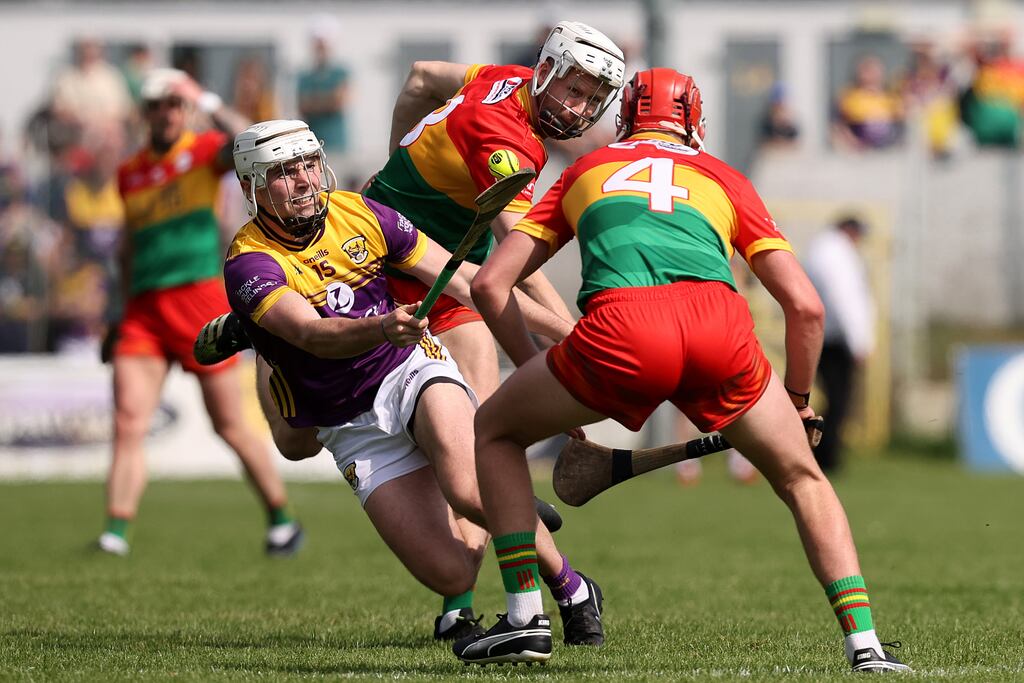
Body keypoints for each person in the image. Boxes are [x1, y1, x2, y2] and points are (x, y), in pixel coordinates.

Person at [463, 68, 910, 673]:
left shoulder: (582, 171)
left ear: (622, 117)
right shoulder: (725, 177)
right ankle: (866, 646)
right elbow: (805, 307)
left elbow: (492, 285)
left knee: (493, 431)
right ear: (695, 120)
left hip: (620, 333)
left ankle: (524, 617)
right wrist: (799, 401)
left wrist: (534, 372)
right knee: (804, 481)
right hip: (719, 333)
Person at [221, 118, 603, 645]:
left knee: (472, 491)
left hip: (408, 369)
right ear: (251, 187)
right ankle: (254, 329)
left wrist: (572, 336)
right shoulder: (249, 262)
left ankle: (570, 592)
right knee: (452, 572)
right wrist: (380, 324)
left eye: (309, 164)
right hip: (348, 422)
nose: (306, 180)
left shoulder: (360, 212)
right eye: (286, 173)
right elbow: (312, 335)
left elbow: (471, 284)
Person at [197, 20, 626, 457]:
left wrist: (395, 161)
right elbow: (521, 270)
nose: (581, 110)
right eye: (575, 91)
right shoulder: (505, 144)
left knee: (478, 430)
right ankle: (267, 335)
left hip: (450, 275)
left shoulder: (506, 78)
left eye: (594, 99)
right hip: (382, 265)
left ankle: (492, 511)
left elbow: (421, 76)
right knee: (297, 444)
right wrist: (578, 347)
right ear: (548, 68)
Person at [97, 69, 302, 557]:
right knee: (128, 420)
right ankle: (115, 533)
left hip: (197, 302)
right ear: (145, 113)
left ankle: (281, 518)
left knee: (228, 424)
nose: (165, 112)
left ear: (183, 109)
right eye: (157, 105)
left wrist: (206, 97)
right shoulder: (129, 173)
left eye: (173, 104)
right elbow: (127, 248)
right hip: (144, 309)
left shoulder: (202, 151)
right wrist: (118, 312)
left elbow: (251, 141)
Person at [803, 216, 875, 474]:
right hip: (835, 339)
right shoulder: (835, 254)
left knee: (832, 400)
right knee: (839, 401)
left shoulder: (823, 250)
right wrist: (858, 341)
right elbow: (844, 298)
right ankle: (824, 455)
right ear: (849, 230)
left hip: (825, 336)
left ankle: (821, 452)